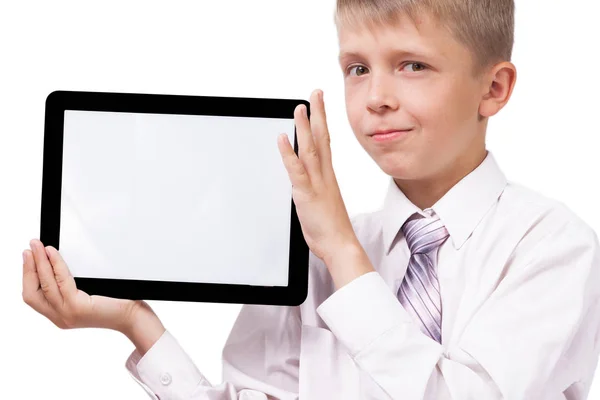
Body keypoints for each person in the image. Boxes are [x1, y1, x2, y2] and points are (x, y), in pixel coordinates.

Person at [22, 0, 600, 399]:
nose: (375, 97)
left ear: (492, 89)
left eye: (412, 66)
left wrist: (345, 256)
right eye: (356, 68)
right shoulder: (316, 252)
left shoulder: (551, 247)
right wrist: (134, 322)